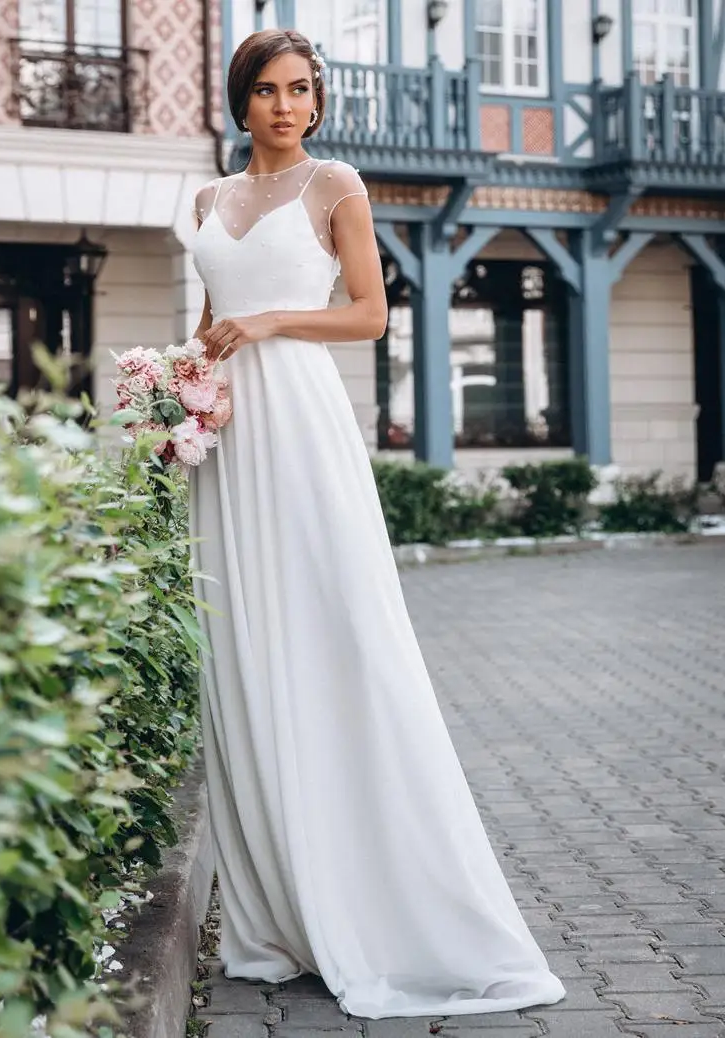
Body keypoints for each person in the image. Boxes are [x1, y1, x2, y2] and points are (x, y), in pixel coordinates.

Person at [187, 28, 567, 1020]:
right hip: (225, 442)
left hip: (302, 429)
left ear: (317, 102)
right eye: (267, 89)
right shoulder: (204, 199)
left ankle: (385, 903)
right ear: (241, 99)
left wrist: (268, 323)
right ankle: (279, 919)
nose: (284, 105)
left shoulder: (334, 185)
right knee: (245, 653)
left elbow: (367, 315)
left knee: (339, 635)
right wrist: (177, 387)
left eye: (300, 90)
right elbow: (207, 323)